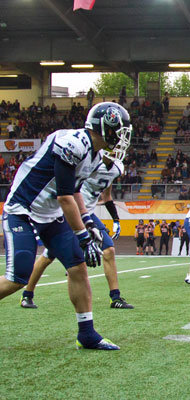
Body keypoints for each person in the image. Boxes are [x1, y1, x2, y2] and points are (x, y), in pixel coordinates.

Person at [0, 101, 131, 350]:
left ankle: (87, 334)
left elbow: (76, 191)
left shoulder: (94, 154)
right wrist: (82, 236)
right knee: (18, 277)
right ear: (104, 127)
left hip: (50, 214)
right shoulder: (74, 143)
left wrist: (89, 220)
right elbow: (64, 196)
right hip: (24, 210)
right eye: (119, 130)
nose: (122, 137)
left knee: (77, 267)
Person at [21, 149, 133, 310]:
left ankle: (115, 297)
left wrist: (116, 219)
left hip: (89, 214)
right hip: (72, 212)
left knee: (108, 249)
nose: (117, 150)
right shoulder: (90, 161)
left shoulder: (116, 168)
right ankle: (27, 294)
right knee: (48, 256)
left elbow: (106, 196)